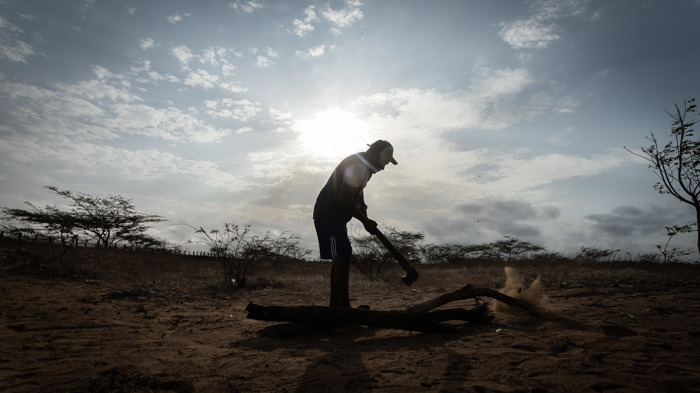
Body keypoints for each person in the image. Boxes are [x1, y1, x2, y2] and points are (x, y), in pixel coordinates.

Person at [313, 140, 398, 308]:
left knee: (341, 257)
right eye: (384, 161)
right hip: (328, 214)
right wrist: (365, 221)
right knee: (343, 255)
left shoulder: (366, 167)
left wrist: (363, 207)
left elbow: (357, 188)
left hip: (335, 216)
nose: (384, 167)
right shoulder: (359, 166)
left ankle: (336, 307)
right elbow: (344, 197)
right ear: (374, 153)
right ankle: (343, 309)